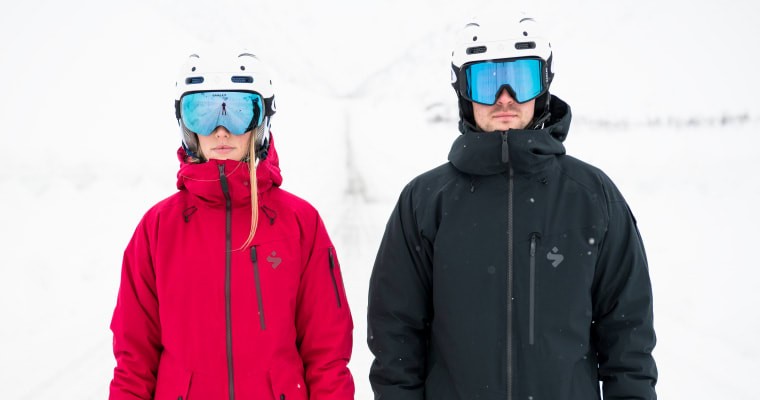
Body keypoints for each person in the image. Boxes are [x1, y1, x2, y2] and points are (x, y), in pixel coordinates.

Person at [367, 14, 657, 400]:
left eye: (521, 80)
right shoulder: (425, 201)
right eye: (486, 83)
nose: (505, 98)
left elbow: (628, 335)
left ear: (543, 88)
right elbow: (395, 336)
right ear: (464, 93)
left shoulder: (590, 196)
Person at [109, 51, 355, 400]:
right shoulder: (157, 229)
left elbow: (328, 355)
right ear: (186, 124)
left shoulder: (300, 223)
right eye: (204, 113)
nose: (221, 130)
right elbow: (133, 361)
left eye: (238, 112)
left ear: (261, 120)